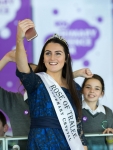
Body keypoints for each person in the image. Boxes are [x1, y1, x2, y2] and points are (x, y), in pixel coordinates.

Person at [15, 19, 88, 150]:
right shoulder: (36, 81)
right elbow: (22, 69)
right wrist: (19, 40)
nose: (52, 58)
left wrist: (83, 146)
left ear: (66, 58)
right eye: (48, 53)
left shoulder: (75, 88)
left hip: (67, 144)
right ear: (43, 58)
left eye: (58, 53)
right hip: (40, 143)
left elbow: (77, 123)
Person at [81, 74, 113, 150]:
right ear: (82, 90)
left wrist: (110, 135)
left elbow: (111, 143)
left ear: (101, 93)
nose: (92, 91)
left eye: (97, 88)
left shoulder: (108, 112)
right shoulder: (75, 109)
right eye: (88, 87)